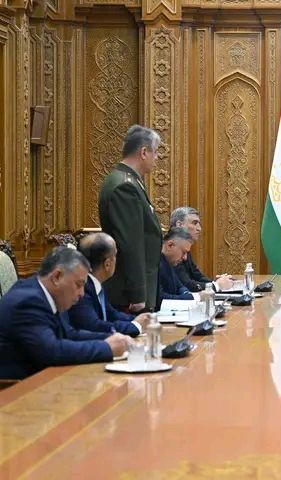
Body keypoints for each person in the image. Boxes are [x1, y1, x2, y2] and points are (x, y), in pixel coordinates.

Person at [0, 247, 130, 380]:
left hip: (41, 379)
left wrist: (111, 338)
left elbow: (69, 334)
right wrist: (106, 348)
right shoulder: (28, 300)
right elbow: (51, 351)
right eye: (78, 285)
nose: (82, 293)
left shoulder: (47, 295)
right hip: (15, 387)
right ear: (57, 276)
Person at [99, 125, 163, 312]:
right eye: (155, 152)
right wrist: (138, 292)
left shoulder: (131, 181)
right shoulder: (124, 186)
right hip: (127, 294)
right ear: (143, 152)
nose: (157, 157)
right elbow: (131, 244)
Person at [68, 233, 150, 337]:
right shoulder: (82, 288)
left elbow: (111, 314)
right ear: (107, 264)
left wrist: (140, 320)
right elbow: (93, 326)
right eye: (115, 255)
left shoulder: (94, 283)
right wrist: (135, 326)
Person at [170, 206, 233, 292]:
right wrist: (216, 285)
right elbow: (187, 284)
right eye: (194, 223)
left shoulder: (184, 245)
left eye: (199, 224)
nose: (199, 228)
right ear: (180, 225)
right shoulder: (172, 247)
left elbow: (197, 276)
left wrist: (217, 282)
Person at [159, 227, 197, 301]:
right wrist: (195, 297)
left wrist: (186, 293)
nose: (185, 258)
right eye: (183, 252)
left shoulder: (169, 261)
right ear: (170, 245)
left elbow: (180, 287)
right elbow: (160, 298)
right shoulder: (154, 263)